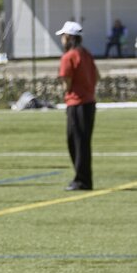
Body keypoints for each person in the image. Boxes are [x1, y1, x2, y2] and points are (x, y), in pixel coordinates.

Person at [57, 21, 99, 191]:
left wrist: (67, 90)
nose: (62, 39)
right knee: (82, 142)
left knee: (76, 142)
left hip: (77, 104)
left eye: (63, 36)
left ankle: (82, 180)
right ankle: (84, 178)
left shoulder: (68, 57)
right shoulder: (86, 54)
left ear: (69, 37)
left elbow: (66, 82)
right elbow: (97, 75)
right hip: (89, 102)